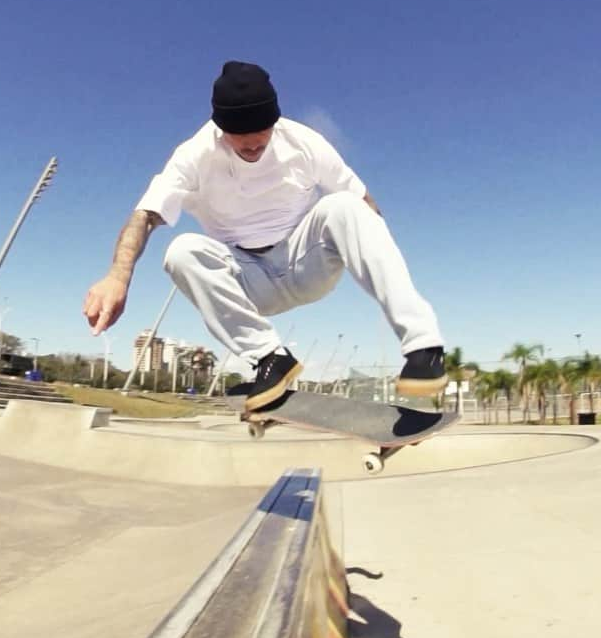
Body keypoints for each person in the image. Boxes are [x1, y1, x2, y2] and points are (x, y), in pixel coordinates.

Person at [83, 61, 446, 411]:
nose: (254, 145)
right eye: (240, 137)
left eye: (263, 133)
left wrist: (381, 259)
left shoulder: (304, 141)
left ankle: (424, 350)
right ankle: (271, 360)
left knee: (349, 206)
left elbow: (366, 204)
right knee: (181, 251)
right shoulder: (193, 156)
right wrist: (117, 276)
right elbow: (145, 215)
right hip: (248, 280)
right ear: (220, 127)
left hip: (306, 263)